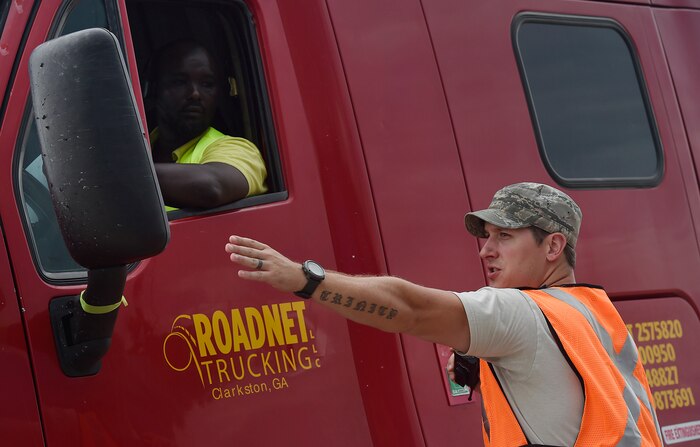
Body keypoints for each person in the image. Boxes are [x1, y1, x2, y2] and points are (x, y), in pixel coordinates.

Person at [224, 182, 662, 446]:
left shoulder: (520, 312)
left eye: (505, 237)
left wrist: (306, 279)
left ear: (553, 247)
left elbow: (410, 309)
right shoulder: (594, 312)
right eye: (487, 235)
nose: (485, 250)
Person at [147, 40, 267, 210]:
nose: (195, 94)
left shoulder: (237, 148)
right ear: (153, 89)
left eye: (207, 84)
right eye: (180, 82)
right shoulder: (138, 146)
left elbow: (212, 187)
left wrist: (117, 174)